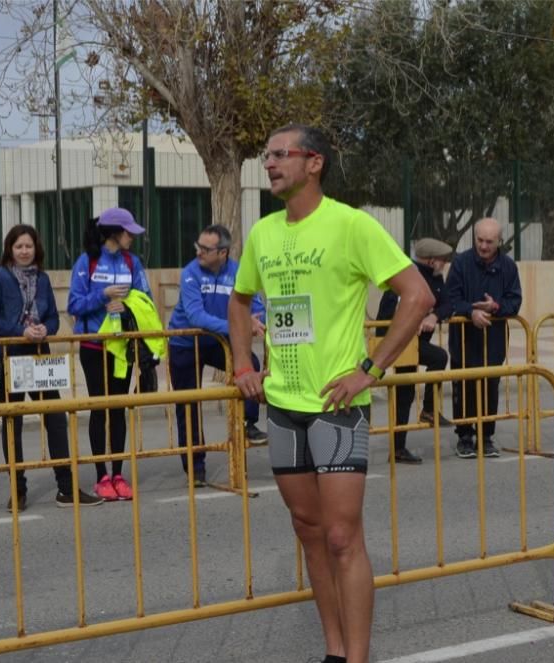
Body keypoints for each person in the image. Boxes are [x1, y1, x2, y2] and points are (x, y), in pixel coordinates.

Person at [228, 124, 433, 663]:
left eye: (279, 155)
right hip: (282, 407)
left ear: (313, 162)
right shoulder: (264, 233)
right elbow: (240, 300)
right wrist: (242, 362)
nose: (268, 164)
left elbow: (417, 296)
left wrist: (370, 370)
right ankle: (335, 651)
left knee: (343, 537)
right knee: (309, 531)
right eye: (266, 155)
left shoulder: (351, 226)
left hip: (337, 409)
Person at [0, 225, 103, 511]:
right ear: (10, 248)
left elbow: (54, 318)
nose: (24, 251)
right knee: (13, 423)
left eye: (29, 246)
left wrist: (45, 328)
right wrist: (19, 331)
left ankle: (66, 487)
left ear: (37, 249)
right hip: (9, 356)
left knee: (55, 418)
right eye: (19, 246)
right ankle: (17, 490)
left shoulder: (43, 279)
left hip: (39, 356)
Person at [167, 224, 267, 487]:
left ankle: (249, 422)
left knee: (250, 363)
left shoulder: (238, 272)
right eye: (197, 246)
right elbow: (195, 316)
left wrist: (256, 322)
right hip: (185, 343)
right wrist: (241, 325)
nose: (198, 252)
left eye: (205, 248)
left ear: (223, 252)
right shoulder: (190, 273)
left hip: (216, 341)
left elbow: (257, 308)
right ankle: (195, 467)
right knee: (188, 405)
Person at [67, 208, 153, 501]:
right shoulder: (87, 261)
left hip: (123, 348)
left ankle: (118, 474)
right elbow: (74, 305)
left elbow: (146, 301)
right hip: (93, 347)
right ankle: (101, 476)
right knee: (99, 409)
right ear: (115, 232)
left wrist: (126, 307)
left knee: (118, 409)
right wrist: (102, 298)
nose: (133, 237)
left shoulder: (133, 262)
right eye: (129, 232)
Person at [446, 218, 522, 459]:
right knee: (465, 387)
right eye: (480, 240)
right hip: (464, 340)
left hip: (494, 341)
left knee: (490, 388)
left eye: (489, 241)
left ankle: (486, 436)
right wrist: (471, 312)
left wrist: (495, 306)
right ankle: (464, 436)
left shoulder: (508, 267)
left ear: (499, 241)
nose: (484, 246)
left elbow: (515, 301)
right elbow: (450, 300)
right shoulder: (461, 263)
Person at [375, 237, 454, 464]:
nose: (445, 264)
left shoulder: (436, 280)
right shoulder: (406, 279)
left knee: (406, 393)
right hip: (400, 344)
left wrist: (434, 315)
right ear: (431, 261)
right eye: (442, 260)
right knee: (406, 389)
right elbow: (386, 317)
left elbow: (449, 304)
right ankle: (424, 415)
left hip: (415, 344)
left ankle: (401, 445)